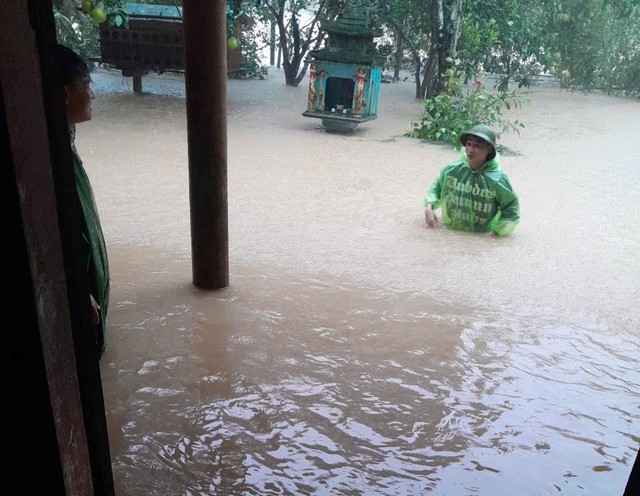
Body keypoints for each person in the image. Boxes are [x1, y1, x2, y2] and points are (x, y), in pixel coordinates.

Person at [56, 44, 110, 357]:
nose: (92, 94)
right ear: (64, 94)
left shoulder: (66, 140)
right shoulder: (51, 158)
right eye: (86, 85)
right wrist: (78, 288)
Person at [423, 124, 520, 236]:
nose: (470, 150)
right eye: (468, 144)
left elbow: (511, 210)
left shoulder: (497, 179)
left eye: (477, 146)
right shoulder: (452, 170)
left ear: (489, 149)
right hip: (451, 233)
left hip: (481, 236)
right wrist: (429, 208)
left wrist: (494, 234)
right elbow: (436, 189)